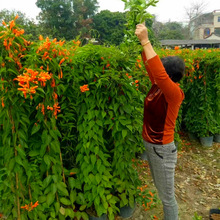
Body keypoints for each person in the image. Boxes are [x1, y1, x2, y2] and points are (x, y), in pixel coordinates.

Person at [135, 24, 185, 220]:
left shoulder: (173, 93)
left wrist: (146, 40)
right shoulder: (157, 85)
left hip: (162, 150)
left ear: (169, 75)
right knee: (160, 189)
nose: (158, 73)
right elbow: (150, 65)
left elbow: (159, 72)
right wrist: (140, 44)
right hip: (152, 146)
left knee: (167, 198)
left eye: (163, 70)